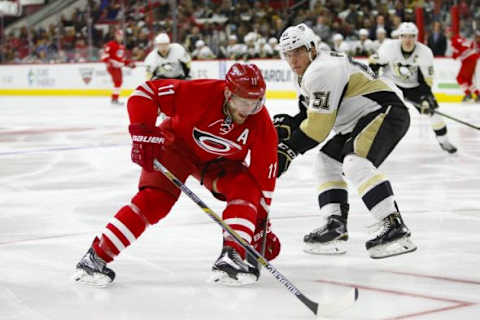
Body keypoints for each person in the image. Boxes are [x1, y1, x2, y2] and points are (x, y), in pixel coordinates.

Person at [74, 63, 280, 287]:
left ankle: (232, 256)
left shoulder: (261, 123)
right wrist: (142, 131)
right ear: (228, 93)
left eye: (255, 102)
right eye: (243, 102)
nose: (248, 109)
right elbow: (145, 93)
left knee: (246, 186)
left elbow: (264, 179)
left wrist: (261, 222)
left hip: (220, 165)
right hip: (176, 149)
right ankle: (95, 257)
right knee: (155, 200)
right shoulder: (199, 92)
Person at [274, 23, 417, 259]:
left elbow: (318, 128)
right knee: (326, 162)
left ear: (312, 48)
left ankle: (395, 226)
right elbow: (307, 114)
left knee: (355, 162)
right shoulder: (307, 73)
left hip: (385, 112)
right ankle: (335, 225)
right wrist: (287, 129)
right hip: (360, 119)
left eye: (297, 51)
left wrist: (288, 149)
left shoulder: (322, 70)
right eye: (287, 54)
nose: (293, 59)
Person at [369, 22, 457, 154]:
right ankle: (370, 141)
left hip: (414, 87)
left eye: (411, 36)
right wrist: (375, 82)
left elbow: (426, 81)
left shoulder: (425, 52)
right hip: (391, 84)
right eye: (404, 36)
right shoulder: (389, 47)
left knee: (434, 113)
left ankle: (443, 140)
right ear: (399, 37)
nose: (408, 40)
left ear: (416, 37)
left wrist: (425, 98)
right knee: (376, 111)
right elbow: (374, 64)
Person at [101, 30, 136, 104]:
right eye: (118, 35)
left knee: (119, 82)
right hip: (112, 67)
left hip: (118, 67)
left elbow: (122, 59)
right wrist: (112, 63)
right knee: (117, 82)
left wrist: (129, 64)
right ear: (115, 36)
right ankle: (114, 99)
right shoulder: (110, 44)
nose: (120, 37)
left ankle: (114, 98)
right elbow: (104, 57)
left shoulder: (122, 46)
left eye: (121, 36)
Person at [450, 29, 480, 102]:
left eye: (448, 32)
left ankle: (468, 94)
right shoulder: (461, 39)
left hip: (468, 60)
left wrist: (455, 55)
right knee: (468, 80)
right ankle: (477, 94)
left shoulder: (454, 41)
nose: (448, 34)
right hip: (472, 58)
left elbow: (455, 55)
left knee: (460, 78)